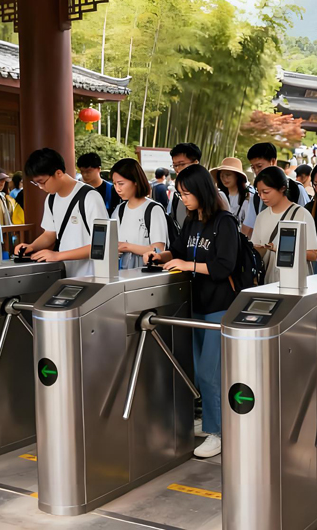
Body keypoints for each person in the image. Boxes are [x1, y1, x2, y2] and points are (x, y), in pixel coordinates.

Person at [144, 164, 238, 459]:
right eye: (181, 194)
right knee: (198, 371)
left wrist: (188, 266)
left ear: (201, 191)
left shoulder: (224, 222)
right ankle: (211, 421)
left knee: (210, 374)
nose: (182, 199)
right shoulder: (190, 220)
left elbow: (224, 267)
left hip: (220, 306)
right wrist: (163, 256)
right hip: (195, 305)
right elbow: (181, 250)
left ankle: (218, 432)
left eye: (186, 193)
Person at [14, 148, 109, 278]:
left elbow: (100, 244)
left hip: (93, 275)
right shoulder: (51, 199)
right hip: (67, 274)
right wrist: (31, 246)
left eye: (42, 182)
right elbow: (49, 234)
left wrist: (58, 255)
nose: (41, 187)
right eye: (36, 183)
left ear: (58, 173)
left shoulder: (90, 197)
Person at [250, 166, 317, 284]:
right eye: (259, 192)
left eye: (266, 192)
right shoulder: (261, 217)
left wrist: (280, 249)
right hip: (269, 282)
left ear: (282, 189)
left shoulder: (301, 214)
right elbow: (257, 249)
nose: (262, 197)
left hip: (296, 283)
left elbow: (313, 255)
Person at [241, 142, 310, 238]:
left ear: (273, 161)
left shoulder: (296, 189)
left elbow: (307, 224)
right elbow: (249, 227)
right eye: (253, 167)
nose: (256, 171)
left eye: (259, 166)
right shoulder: (256, 195)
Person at [109, 158, 168, 269]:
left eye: (121, 184)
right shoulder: (119, 210)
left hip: (145, 274)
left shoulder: (153, 209)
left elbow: (159, 250)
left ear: (135, 181)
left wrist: (127, 247)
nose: (117, 189)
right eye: (114, 184)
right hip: (121, 273)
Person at [169, 142, 203, 227]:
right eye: (175, 165)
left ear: (196, 163)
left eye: (182, 164)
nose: (177, 169)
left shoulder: (216, 196)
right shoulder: (177, 196)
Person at [210, 157, 250, 226]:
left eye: (228, 175)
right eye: (222, 176)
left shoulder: (248, 197)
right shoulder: (218, 196)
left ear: (237, 176)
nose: (225, 179)